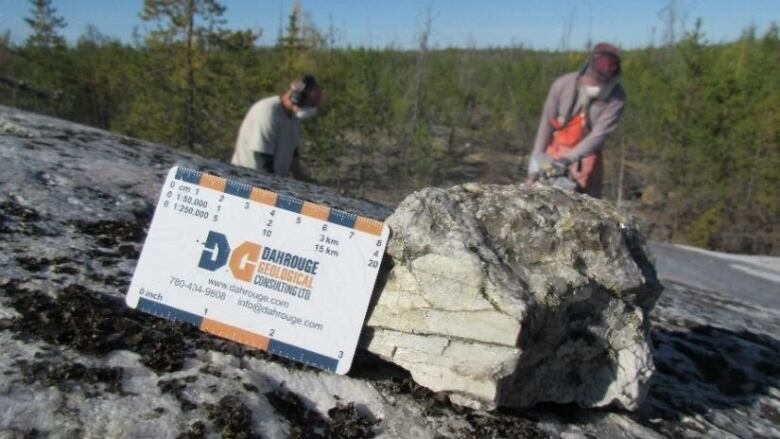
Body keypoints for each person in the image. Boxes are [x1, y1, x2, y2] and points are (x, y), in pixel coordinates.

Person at [526, 43, 626, 198]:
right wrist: (536, 159)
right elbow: (547, 123)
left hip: (587, 156)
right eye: (593, 79)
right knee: (538, 194)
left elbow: (598, 136)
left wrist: (566, 160)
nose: (595, 84)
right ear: (588, 66)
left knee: (587, 205)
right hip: (554, 150)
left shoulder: (616, 98)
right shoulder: (563, 84)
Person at [231, 75, 322, 179]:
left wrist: (302, 179)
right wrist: (274, 187)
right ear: (296, 98)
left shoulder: (294, 118)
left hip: (272, 181)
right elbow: (262, 160)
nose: (312, 108)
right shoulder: (267, 112)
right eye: (310, 104)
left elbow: (293, 153)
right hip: (246, 180)